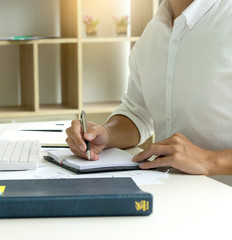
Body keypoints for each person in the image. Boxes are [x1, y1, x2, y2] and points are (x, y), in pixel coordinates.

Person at [66, 0, 232, 176]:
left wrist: (209, 160)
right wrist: (106, 134)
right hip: (168, 192)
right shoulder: (153, 32)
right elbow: (136, 112)